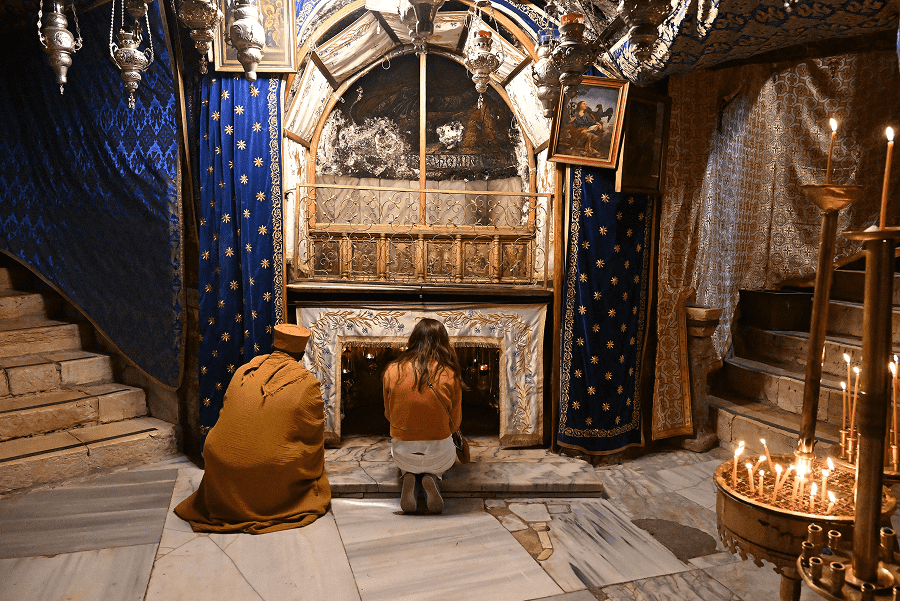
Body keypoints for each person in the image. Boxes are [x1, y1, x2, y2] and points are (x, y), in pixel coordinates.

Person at [175, 324, 331, 534]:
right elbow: (313, 435)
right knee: (300, 451)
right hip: (263, 466)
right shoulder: (307, 383)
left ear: (274, 345)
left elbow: (226, 410)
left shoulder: (244, 370)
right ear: (302, 354)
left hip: (218, 458)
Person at [383, 318, 463, 514]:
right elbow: (455, 422)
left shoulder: (392, 370)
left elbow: (389, 415)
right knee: (442, 452)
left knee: (402, 449)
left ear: (413, 339)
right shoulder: (449, 373)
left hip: (404, 454)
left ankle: (408, 474)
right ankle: (432, 476)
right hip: (439, 456)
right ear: (443, 342)